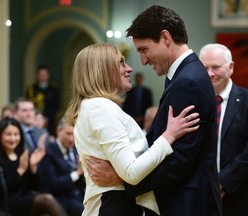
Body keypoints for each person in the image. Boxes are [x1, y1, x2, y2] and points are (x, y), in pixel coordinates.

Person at [85, 5, 222, 216]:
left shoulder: (188, 81)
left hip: (187, 203)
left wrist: (121, 179)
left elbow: (179, 162)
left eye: (144, 49)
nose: (142, 61)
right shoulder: (184, 76)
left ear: (165, 38)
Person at [64, 43, 200, 216]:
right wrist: (169, 136)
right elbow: (131, 172)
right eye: (121, 63)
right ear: (103, 69)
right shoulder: (101, 107)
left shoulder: (91, 106)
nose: (129, 69)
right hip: (113, 206)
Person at [199, 43, 248, 216]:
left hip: (246, 197)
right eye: (205, 68)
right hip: (205, 197)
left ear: (231, 67)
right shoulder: (195, 103)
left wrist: (222, 182)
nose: (210, 73)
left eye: (216, 67)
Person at [0, 117, 67, 216]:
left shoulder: (22, 154)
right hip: (5, 202)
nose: (13, 139)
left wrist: (33, 168)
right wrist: (20, 170)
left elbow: (33, 187)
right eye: (8, 134)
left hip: (23, 199)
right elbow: (0, 189)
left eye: (16, 134)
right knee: (46, 199)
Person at [38, 117, 85, 216]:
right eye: (68, 134)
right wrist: (77, 173)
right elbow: (51, 185)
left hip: (80, 195)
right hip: (60, 198)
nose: (71, 139)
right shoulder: (48, 152)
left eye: (74, 134)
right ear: (58, 131)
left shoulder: (78, 149)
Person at [25, 64, 60, 136]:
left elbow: (56, 105)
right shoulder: (31, 89)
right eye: (41, 74)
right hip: (34, 118)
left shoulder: (53, 89)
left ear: (48, 75)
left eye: (45, 74)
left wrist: (47, 117)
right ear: (37, 75)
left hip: (49, 120)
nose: (43, 76)